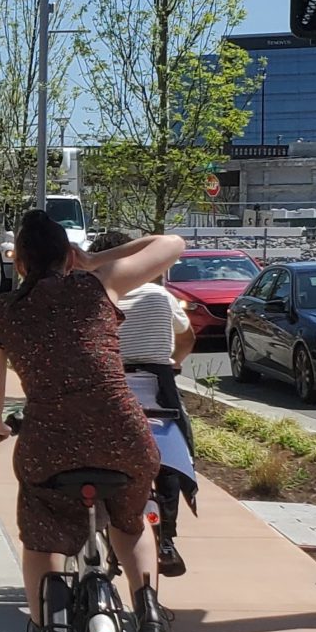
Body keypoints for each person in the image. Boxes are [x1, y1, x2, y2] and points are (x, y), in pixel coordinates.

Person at [0, 210, 185, 632]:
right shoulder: (96, 286)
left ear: (20, 264)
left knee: (41, 532)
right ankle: (149, 612)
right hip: (123, 433)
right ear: (67, 255)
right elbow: (170, 242)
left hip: (49, 443)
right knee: (131, 520)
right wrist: (93, 261)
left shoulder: (3, 312)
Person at [90, 230, 199, 578]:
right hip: (157, 385)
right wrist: (174, 361)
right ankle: (167, 536)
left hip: (109, 386)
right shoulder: (160, 296)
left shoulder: (94, 298)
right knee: (173, 448)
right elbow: (187, 338)